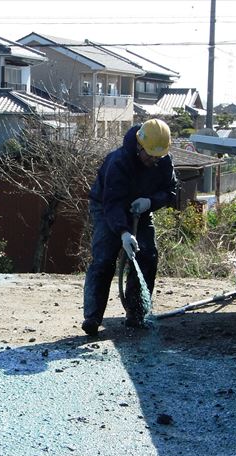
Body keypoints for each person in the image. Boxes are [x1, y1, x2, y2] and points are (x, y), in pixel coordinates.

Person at [81, 118, 180, 336]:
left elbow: (171, 191)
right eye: (150, 155)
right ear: (139, 146)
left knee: (147, 256)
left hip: (141, 210)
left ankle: (136, 314)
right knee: (104, 258)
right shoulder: (118, 162)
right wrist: (124, 233)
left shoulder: (163, 161)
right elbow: (112, 203)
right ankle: (92, 317)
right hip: (107, 208)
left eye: (158, 156)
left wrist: (150, 202)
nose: (154, 160)